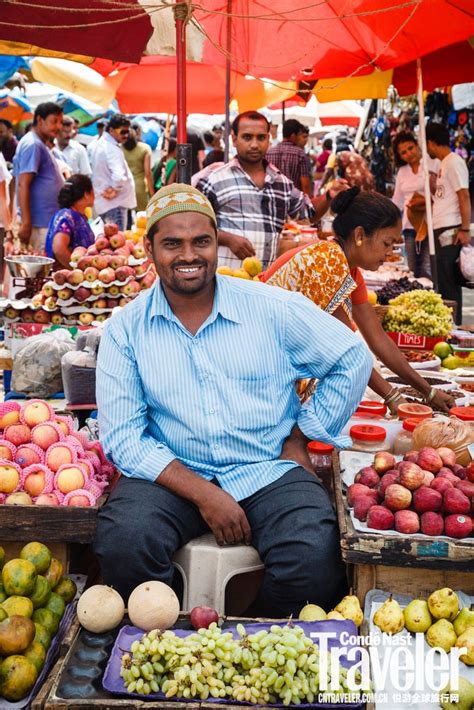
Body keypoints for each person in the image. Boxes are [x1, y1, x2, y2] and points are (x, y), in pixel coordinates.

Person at [94, 183, 372, 614]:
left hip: (266, 466)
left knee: (314, 556)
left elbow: (350, 356)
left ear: (215, 242)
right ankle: (171, 636)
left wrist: (302, 436)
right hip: (173, 474)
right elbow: (124, 438)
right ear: (150, 249)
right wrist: (206, 495)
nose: (188, 255)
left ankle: (252, 631)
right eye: (172, 243)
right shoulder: (125, 330)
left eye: (201, 241)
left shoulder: (270, 307)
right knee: (124, 542)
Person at [263, 187, 455, 414]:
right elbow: (348, 349)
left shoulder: (349, 269)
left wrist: (428, 391)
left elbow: (378, 339)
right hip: (263, 376)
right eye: (386, 243)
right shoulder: (327, 260)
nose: (389, 252)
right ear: (360, 235)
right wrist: (393, 397)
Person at [196, 111, 344, 270]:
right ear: (234, 139)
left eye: (261, 137)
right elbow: (193, 226)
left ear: (268, 139)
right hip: (225, 280)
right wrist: (227, 239)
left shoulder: (282, 183)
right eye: (247, 137)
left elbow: (309, 213)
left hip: (265, 283)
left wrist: (329, 196)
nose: (254, 144)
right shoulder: (215, 180)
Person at [426, 122, 471, 323]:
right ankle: (451, 324)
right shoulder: (444, 164)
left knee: (448, 281)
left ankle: (455, 326)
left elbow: (464, 195)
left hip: (450, 229)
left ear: (431, 143)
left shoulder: (454, 162)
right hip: (441, 227)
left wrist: (464, 228)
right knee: (444, 279)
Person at [13, 102, 64, 253]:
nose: (59, 126)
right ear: (40, 120)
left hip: (44, 220)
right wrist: (27, 223)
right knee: (40, 272)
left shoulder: (39, 143)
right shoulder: (33, 144)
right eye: (54, 121)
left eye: (60, 122)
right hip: (38, 223)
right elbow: (23, 184)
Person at [392, 131, 439, 280]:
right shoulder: (402, 172)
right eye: (403, 152)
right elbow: (397, 201)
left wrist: (425, 201)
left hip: (431, 223)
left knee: (427, 268)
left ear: (417, 145)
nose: (408, 154)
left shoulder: (432, 163)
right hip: (409, 226)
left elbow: (440, 192)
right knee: (412, 269)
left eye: (410, 148)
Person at [92, 114, 136, 231]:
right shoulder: (111, 148)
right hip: (115, 204)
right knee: (117, 243)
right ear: (111, 130)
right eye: (122, 132)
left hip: (107, 203)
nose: (126, 135)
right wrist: (115, 189)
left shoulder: (101, 144)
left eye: (128, 132)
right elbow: (118, 176)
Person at [44, 175, 95, 267]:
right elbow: (59, 249)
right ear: (86, 194)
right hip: (65, 277)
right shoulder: (66, 216)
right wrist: (76, 271)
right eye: (92, 191)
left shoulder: (79, 216)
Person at [266, 119, 311, 196]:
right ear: (293, 136)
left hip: (274, 199)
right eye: (299, 135)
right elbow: (305, 186)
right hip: (294, 201)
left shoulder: (269, 153)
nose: (300, 138)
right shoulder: (300, 154)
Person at [122, 125, 153, 212]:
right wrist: (152, 193)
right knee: (141, 219)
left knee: (126, 221)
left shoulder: (119, 148)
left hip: (124, 189)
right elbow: (148, 173)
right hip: (140, 188)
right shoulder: (145, 148)